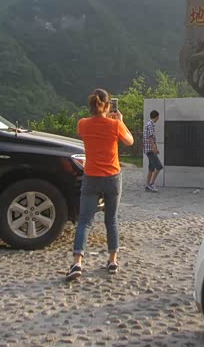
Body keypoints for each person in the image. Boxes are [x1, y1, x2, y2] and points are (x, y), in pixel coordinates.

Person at [66, 88, 134, 281]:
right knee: (111, 220)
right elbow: (130, 141)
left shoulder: (83, 124)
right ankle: (112, 261)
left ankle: (77, 263)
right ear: (109, 105)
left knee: (85, 221)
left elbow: (85, 132)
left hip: (91, 177)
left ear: (91, 105)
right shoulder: (115, 125)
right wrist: (120, 121)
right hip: (112, 177)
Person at [143, 110, 163, 192]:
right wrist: (154, 148)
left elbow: (152, 138)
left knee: (151, 168)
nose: (158, 118)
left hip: (149, 149)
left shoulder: (150, 124)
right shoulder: (150, 124)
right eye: (158, 116)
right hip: (150, 150)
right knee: (159, 166)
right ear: (156, 116)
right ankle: (151, 184)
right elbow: (150, 137)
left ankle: (147, 185)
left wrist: (156, 148)